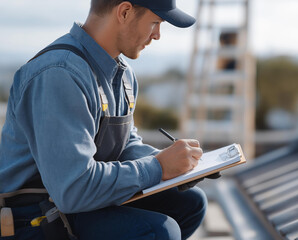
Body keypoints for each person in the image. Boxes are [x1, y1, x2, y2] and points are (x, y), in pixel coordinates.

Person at [0, 0, 211, 239]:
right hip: (34, 217)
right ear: (124, 12)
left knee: (190, 203)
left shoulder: (124, 75)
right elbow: (73, 190)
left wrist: (175, 165)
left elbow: (124, 146)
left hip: (76, 205)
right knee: (161, 231)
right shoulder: (59, 74)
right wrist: (158, 168)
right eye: (155, 23)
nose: (158, 35)